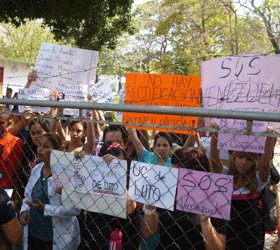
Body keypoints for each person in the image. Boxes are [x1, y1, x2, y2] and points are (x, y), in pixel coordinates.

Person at [142, 147, 227, 250]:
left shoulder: (215, 197)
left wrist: (205, 221)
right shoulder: (167, 190)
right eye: (173, 172)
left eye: (181, 175)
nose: (175, 179)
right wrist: (149, 210)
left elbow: (218, 248)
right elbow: (147, 234)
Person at [210, 122, 277, 249]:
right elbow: (214, 157)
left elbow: (264, 163)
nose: (243, 162)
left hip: (251, 238)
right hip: (227, 234)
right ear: (233, 158)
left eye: (249, 159)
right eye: (240, 157)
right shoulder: (225, 176)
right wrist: (215, 134)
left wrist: (270, 138)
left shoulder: (258, 181)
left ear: (254, 162)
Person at [19, 133, 80, 250]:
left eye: (45, 146)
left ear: (57, 150)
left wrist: (46, 209)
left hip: (55, 238)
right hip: (34, 234)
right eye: (39, 145)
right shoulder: (37, 169)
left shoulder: (65, 172)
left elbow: (75, 209)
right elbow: (27, 195)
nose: (40, 149)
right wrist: (24, 211)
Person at [78, 142, 139, 249]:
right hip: (95, 233)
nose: (116, 166)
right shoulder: (96, 175)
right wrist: (80, 161)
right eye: (113, 162)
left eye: (119, 163)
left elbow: (130, 209)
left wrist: (118, 177)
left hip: (117, 237)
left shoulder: (130, 180)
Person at [0, 106, 24, 201]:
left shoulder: (16, 143)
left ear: (9, 123)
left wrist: (15, 197)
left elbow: (17, 172)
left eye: (1, 123)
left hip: (5, 194)